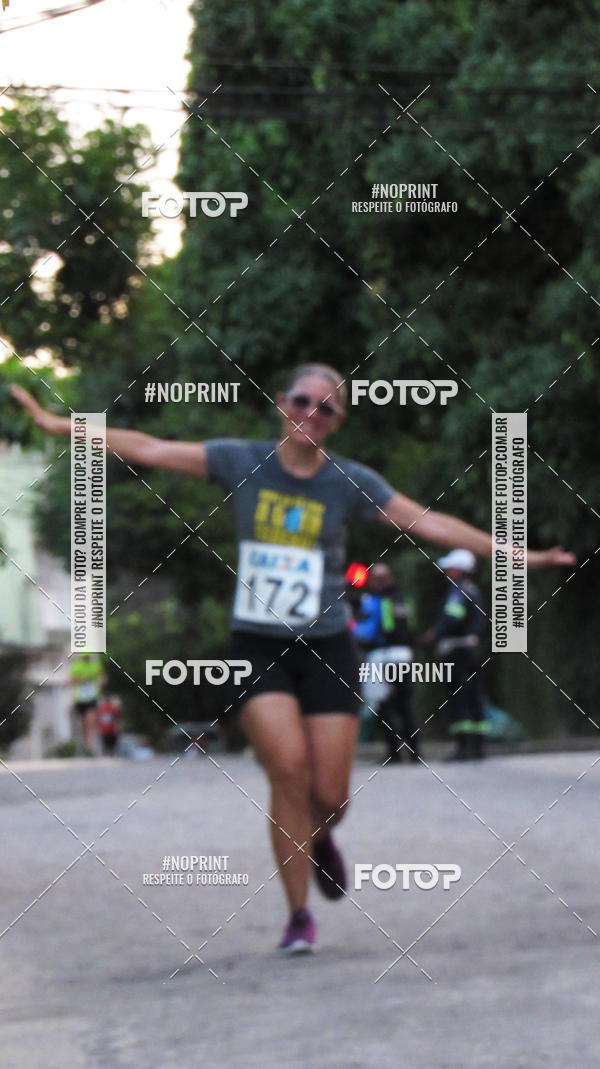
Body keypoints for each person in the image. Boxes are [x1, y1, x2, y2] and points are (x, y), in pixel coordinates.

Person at [10, 369, 574, 954]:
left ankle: (321, 836)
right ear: (282, 405)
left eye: (327, 407)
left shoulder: (348, 481)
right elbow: (149, 447)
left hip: (327, 647)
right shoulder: (240, 461)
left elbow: (428, 521)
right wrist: (59, 425)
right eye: (302, 401)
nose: (312, 412)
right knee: (288, 773)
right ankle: (299, 915)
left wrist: (518, 556)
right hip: (258, 645)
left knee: (330, 795)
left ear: (338, 420)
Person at [351, 563, 420, 764]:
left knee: (381, 705)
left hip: (381, 657)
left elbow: (365, 633)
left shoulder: (374, 601)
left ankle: (394, 752)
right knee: (405, 705)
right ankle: (416, 752)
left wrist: (351, 627)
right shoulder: (404, 600)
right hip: (405, 655)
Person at [424, 548, 487, 761]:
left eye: (450, 568)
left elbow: (453, 618)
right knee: (475, 695)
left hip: (457, 652)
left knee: (457, 696)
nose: (446, 571)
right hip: (472, 649)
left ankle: (462, 748)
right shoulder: (473, 590)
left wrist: (436, 633)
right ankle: (478, 747)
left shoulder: (457, 592)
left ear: (459, 570)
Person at [70, 651, 103, 754]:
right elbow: (71, 680)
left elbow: (101, 677)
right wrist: (82, 679)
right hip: (80, 698)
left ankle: (91, 746)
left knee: (90, 721)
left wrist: (99, 683)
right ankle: (85, 745)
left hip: (92, 697)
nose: (87, 659)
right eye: (85, 657)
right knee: (83, 723)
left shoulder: (95, 666)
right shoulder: (76, 666)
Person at [95, 686, 122, 756]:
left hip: (112, 728)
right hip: (104, 728)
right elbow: (98, 716)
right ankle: (107, 753)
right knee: (105, 742)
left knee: (113, 741)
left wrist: (117, 725)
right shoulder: (101, 705)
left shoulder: (113, 705)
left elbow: (117, 715)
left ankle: (113, 753)